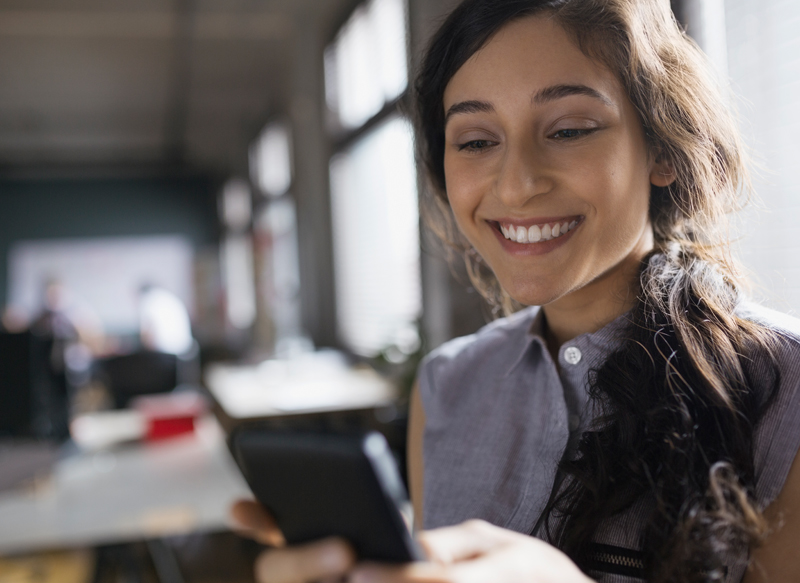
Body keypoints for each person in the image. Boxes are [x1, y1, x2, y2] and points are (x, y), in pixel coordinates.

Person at [232, 0, 800, 581]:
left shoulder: (784, 386)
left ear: (660, 147)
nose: (517, 184)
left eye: (570, 129)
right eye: (476, 141)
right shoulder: (447, 385)